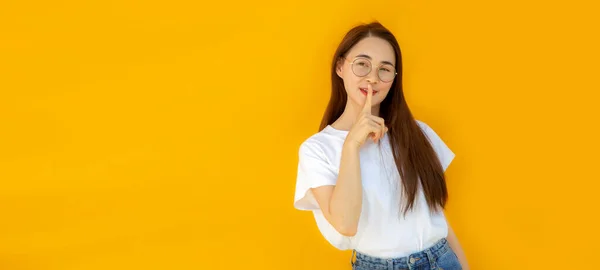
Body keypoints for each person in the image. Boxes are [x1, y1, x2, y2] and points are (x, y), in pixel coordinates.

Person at [293, 22, 469, 270]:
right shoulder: (317, 149)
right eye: (362, 64)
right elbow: (345, 223)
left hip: (442, 260)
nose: (373, 78)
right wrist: (352, 144)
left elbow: (436, 216)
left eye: (385, 69)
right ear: (340, 67)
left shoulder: (418, 133)